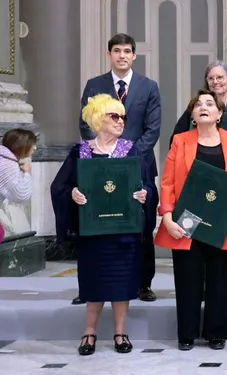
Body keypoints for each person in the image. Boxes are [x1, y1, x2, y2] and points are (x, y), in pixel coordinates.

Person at [52, 95, 153, 355]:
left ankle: (121, 333)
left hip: (123, 232)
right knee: (94, 282)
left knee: (122, 284)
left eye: (123, 117)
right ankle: (89, 333)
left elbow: (148, 186)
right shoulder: (81, 151)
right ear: (98, 119)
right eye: (114, 116)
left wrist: (144, 195)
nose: (121, 121)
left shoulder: (132, 150)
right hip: (93, 232)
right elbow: (60, 186)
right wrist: (73, 193)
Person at [154, 90, 227, 351]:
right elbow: (167, 183)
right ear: (193, 115)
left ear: (220, 114)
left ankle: (216, 333)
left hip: (223, 221)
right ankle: (186, 334)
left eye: (209, 104)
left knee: (220, 279)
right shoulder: (180, 141)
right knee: (188, 277)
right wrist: (166, 217)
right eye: (198, 104)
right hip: (186, 222)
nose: (203, 107)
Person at [79, 33, 161, 304]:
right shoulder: (95, 85)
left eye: (127, 51)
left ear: (134, 55)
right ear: (109, 55)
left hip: (139, 167)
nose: (122, 55)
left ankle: (143, 284)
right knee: (98, 225)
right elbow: (85, 124)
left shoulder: (148, 87)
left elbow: (152, 129)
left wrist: (128, 156)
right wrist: (108, 156)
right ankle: (91, 286)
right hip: (100, 167)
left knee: (141, 226)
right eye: (117, 50)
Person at [170, 60, 227, 161]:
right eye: (210, 78)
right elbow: (176, 139)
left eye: (220, 77)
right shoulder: (196, 108)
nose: (215, 82)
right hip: (199, 164)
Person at [0, 129, 36, 260]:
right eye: (32, 144)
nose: (35, 148)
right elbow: (20, 194)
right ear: (22, 146)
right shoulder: (6, 163)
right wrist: (27, 173)